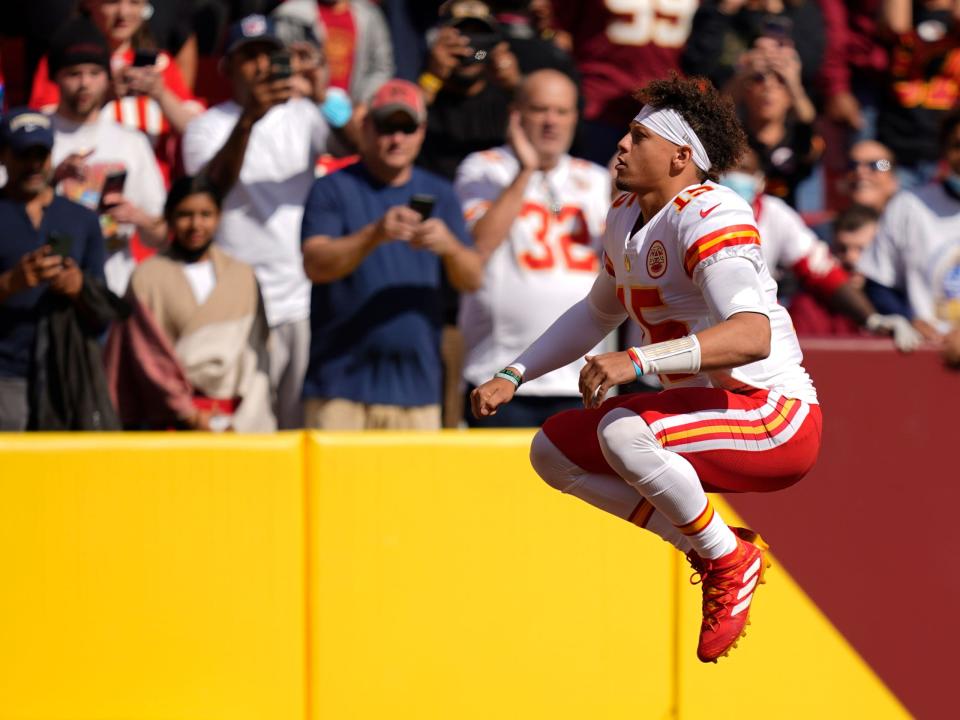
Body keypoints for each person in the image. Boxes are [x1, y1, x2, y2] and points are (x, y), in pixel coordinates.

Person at [471, 74, 823, 663]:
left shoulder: (711, 212)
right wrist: (515, 374)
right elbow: (594, 312)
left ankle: (728, 559)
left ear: (681, 156)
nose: (622, 146)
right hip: (711, 412)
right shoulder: (624, 215)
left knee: (623, 430)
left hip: (773, 417)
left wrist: (635, 358)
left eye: (639, 136)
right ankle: (714, 549)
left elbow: (751, 334)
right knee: (552, 450)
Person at [183, 14, 343, 428]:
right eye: (249, 56)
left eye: (268, 56)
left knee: (295, 421)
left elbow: (358, 148)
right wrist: (250, 118)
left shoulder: (305, 114)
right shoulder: (205, 126)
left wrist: (325, 95)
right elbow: (210, 190)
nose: (260, 66)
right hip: (237, 296)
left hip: (298, 295)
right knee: (242, 422)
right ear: (228, 68)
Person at [300, 79, 483, 430]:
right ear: (366, 127)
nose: (396, 139)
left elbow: (473, 278)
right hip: (339, 385)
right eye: (386, 126)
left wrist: (450, 248)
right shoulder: (332, 188)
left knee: (413, 488)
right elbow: (314, 264)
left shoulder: (440, 193)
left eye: (406, 127)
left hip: (417, 390)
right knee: (336, 487)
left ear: (422, 132)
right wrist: (374, 234)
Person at [455, 69, 611, 426]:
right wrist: (526, 170)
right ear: (516, 113)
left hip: (581, 377)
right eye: (540, 109)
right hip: (497, 373)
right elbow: (480, 244)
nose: (551, 122)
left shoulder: (598, 179)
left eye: (562, 111)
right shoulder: (484, 168)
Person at [104, 175, 275, 432]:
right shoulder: (147, 277)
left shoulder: (242, 277)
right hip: (167, 422)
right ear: (169, 217)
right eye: (185, 214)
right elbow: (146, 356)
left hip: (232, 423)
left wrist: (242, 421)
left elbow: (258, 355)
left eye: (206, 214)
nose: (196, 224)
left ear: (219, 217)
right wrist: (188, 414)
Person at [719, 148, 919, 349]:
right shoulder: (691, 209)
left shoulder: (776, 214)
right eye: (726, 167)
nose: (734, 175)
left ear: (759, 179)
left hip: (746, 325)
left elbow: (821, 271)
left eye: (743, 169)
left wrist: (872, 319)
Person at [0, 109, 115, 431]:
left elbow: (103, 308)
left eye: (42, 154)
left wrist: (79, 288)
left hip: (67, 374)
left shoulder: (81, 219)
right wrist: (10, 284)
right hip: (6, 376)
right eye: (24, 154)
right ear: (3, 155)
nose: (34, 165)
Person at [46, 15, 167, 296]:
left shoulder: (131, 141)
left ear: (107, 77)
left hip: (114, 290)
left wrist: (136, 216)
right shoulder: (35, 135)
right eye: (74, 73)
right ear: (56, 77)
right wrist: (52, 179)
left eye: (94, 73)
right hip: (49, 292)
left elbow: (159, 235)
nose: (85, 84)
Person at [29, 0, 205, 182]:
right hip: (83, 184)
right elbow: (44, 124)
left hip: (148, 187)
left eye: (134, 3)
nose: (123, 13)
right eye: (112, 2)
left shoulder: (162, 64)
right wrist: (104, 96)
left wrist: (160, 94)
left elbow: (199, 133)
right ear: (89, 4)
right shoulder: (67, 59)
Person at [859, 106, 960, 367]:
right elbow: (878, 282)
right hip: (923, 356)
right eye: (957, 145)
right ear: (944, 151)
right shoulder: (908, 205)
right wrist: (904, 317)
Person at [417, 0, 521, 181]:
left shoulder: (506, 98)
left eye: (479, 38)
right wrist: (432, 77)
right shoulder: (427, 91)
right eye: (459, 37)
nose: (469, 49)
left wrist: (517, 88)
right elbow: (401, 125)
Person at [271, 0, 395, 103]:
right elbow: (280, 62)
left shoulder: (370, 16)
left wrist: (362, 104)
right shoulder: (292, 15)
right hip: (304, 106)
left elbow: (382, 67)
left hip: (353, 112)